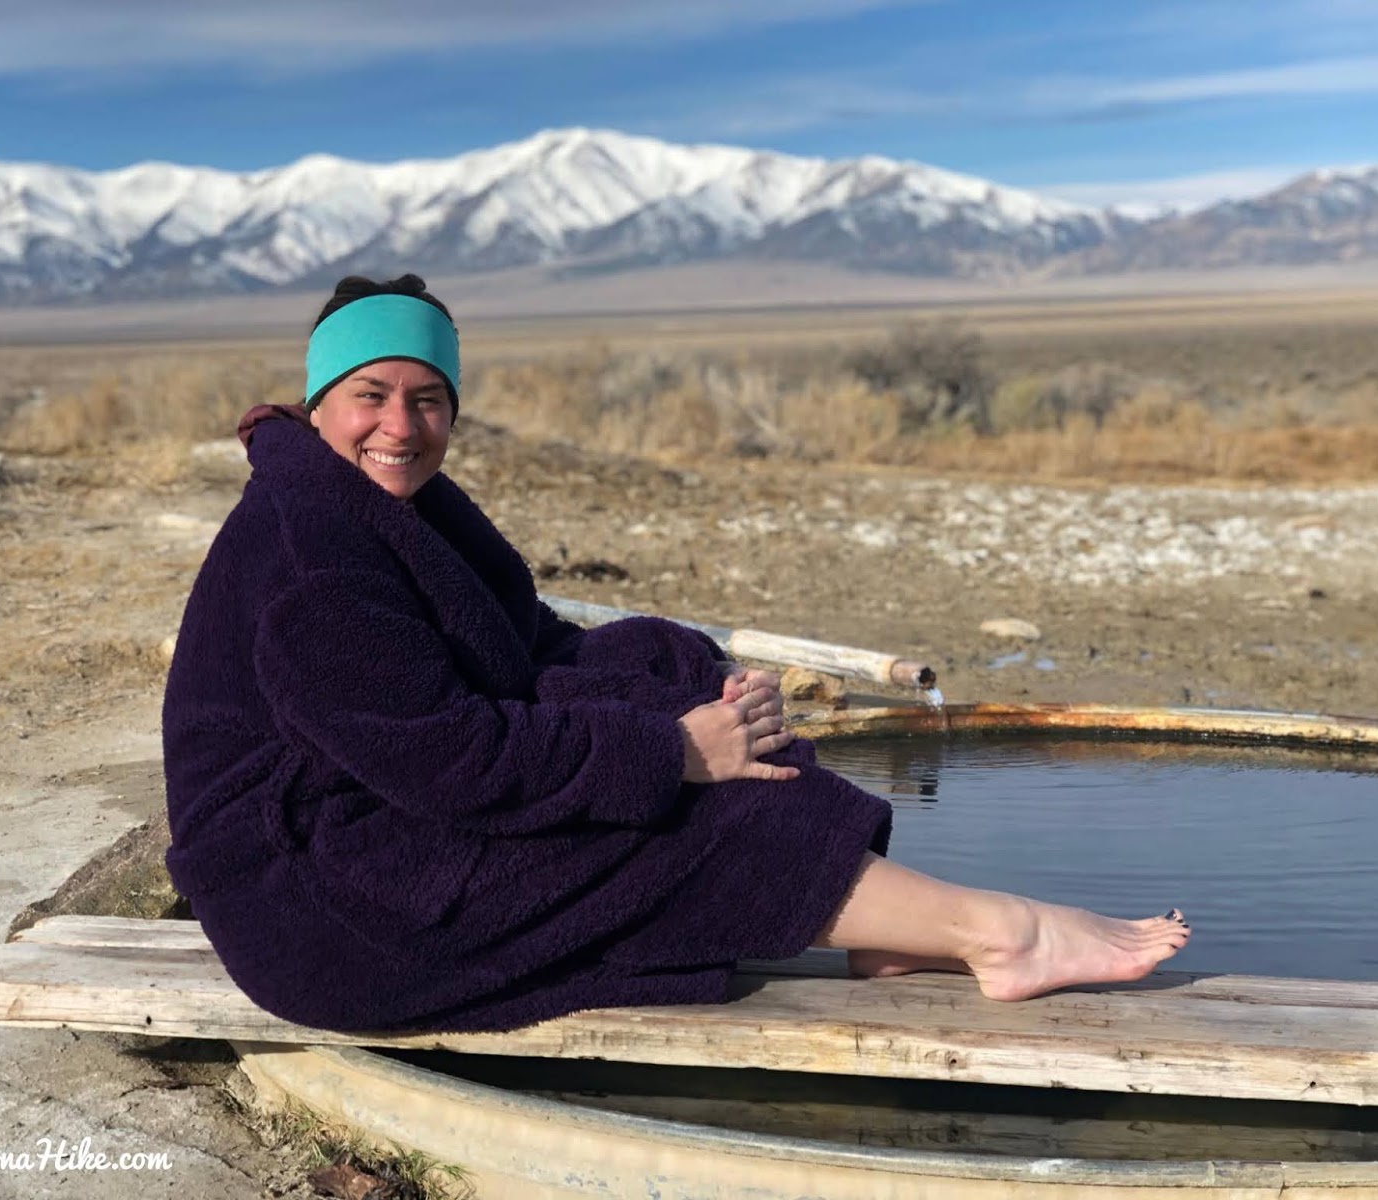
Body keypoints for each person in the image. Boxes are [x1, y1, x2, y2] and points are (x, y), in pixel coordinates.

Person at [161, 274, 1189, 1035]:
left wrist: (692, 689)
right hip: (318, 903)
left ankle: (889, 926)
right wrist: (672, 754)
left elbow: (526, 647)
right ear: (319, 402)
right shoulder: (313, 551)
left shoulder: (390, 506)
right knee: (690, 818)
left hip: (364, 824)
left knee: (668, 667)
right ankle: (992, 931)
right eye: (370, 396)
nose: (401, 424)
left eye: (428, 399)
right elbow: (446, 760)